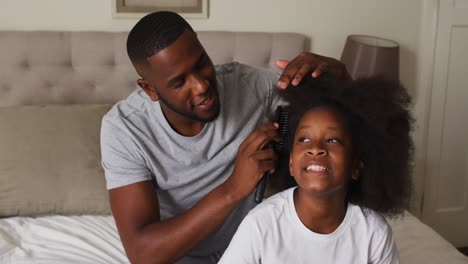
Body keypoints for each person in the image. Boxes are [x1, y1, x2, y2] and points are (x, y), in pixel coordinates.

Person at [100, 11, 349, 264]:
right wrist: (233, 188)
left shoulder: (250, 86)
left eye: (200, 64)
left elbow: (342, 119)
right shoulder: (124, 129)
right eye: (179, 82)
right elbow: (143, 254)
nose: (201, 86)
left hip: (257, 249)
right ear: (150, 89)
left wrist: (337, 73)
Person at [218, 76, 413, 264]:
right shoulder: (261, 224)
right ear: (291, 163)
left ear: (356, 166)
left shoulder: (373, 233)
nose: (316, 148)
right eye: (304, 139)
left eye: (332, 140)